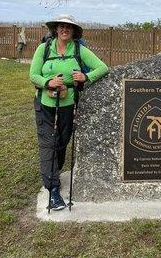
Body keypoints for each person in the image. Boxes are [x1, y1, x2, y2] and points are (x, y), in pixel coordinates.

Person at [30, 14, 109, 210]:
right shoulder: (44, 48)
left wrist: (85, 76)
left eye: (68, 27)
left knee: (61, 143)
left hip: (67, 106)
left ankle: (52, 173)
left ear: (73, 31)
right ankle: (53, 190)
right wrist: (47, 82)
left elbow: (103, 68)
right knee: (48, 144)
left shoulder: (79, 50)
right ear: (56, 29)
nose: (65, 29)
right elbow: (33, 75)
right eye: (61, 26)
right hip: (46, 106)